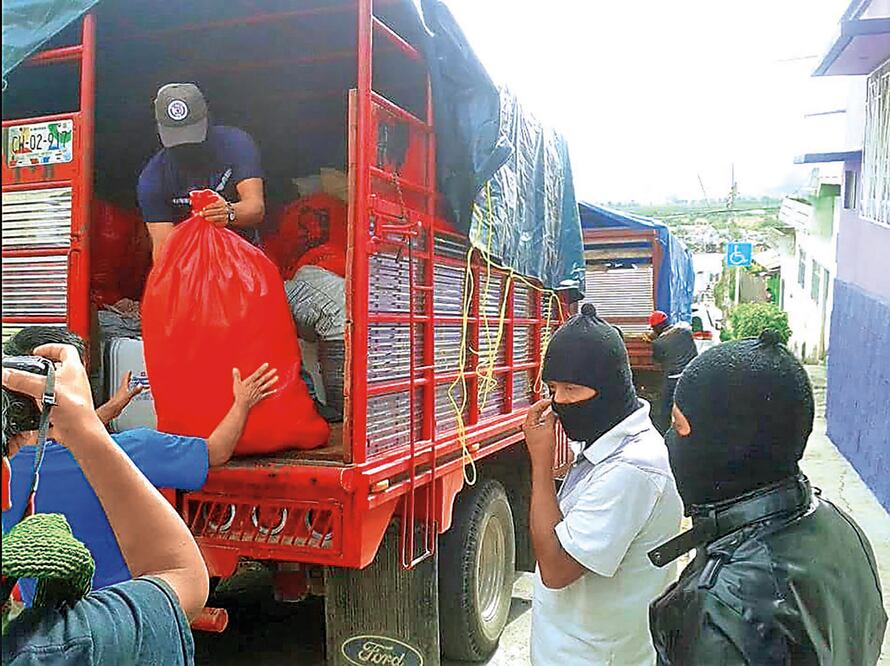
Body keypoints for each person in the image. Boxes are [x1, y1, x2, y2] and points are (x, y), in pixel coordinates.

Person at [649, 330, 887, 665]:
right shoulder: (841, 525)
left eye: (677, 424)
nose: (670, 439)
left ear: (725, 444)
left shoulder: (718, 610)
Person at [2, 326, 278, 600]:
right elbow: (215, 452)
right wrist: (242, 402)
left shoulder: (9, 466)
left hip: (44, 626)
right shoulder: (136, 450)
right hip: (125, 618)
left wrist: (109, 409)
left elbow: (58, 438)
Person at [1, 343, 208, 663]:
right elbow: (182, 576)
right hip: (120, 618)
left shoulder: (21, 467)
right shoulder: (59, 646)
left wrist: (101, 415)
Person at [522, 303, 683, 665]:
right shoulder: (606, 446)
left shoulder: (632, 469)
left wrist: (541, 463)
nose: (559, 402)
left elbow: (557, 568)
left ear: (608, 388)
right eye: (552, 388)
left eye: (572, 389)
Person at [138, 83, 266, 260]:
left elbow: (255, 208)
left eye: (192, 138)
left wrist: (228, 212)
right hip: (192, 265)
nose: (187, 147)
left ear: (207, 120)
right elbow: (164, 250)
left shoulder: (236, 144)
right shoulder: (152, 179)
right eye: (178, 141)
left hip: (245, 261)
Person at [645, 310, 697, 433]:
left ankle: (662, 433)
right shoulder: (685, 332)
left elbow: (658, 360)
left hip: (673, 378)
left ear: (656, 328)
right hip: (691, 374)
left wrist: (653, 341)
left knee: (664, 408)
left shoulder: (659, 343)